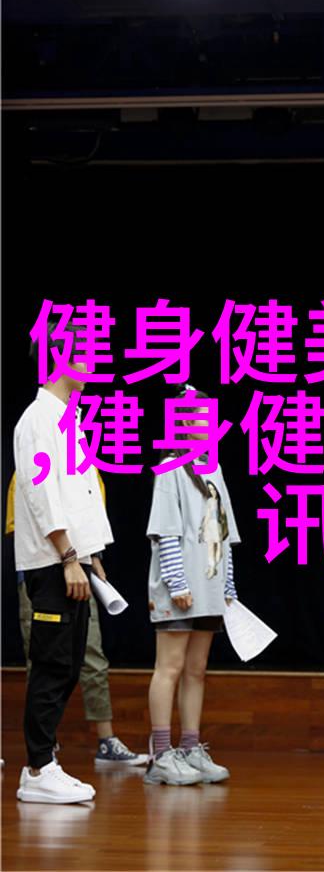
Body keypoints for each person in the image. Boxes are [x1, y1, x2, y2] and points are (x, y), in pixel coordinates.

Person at [13, 325, 113, 803]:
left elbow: (78, 496)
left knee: (70, 663)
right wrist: (70, 557)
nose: (93, 362)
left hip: (75, 560)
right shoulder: (37, 419)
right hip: (54, 562)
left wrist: (91, 556)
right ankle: (37, 768)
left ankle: (44, 763)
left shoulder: (68, 419)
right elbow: (41, 494)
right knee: (52, 664)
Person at [6, 471, 148, 768]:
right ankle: (44, 749)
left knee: (91, 654)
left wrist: (94, 559)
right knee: (42, 658)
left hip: (81, 573)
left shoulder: (85, 466)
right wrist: (64, 560)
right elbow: (27, 526)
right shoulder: (36, 460)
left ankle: (106, 741)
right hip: (43, 574)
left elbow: (89, 522)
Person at [144, 385, 241, 787]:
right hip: (180, 590)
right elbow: (166, 532)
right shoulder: (170, 469)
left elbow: (224, 534)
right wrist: (177, 581)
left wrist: (228, 587)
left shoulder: (213, 469)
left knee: (196, 670)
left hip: (209, 588)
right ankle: (161, 754)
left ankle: (190, 747)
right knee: (169, 666)